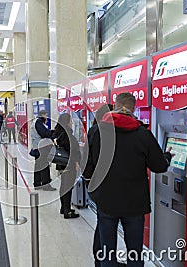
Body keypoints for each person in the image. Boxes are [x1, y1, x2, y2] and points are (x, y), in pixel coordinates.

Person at [82, 93, 173, 267]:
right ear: (133, 108)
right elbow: (159, 166)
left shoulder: (97, 131)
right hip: (134, 203)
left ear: (115, 105)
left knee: (107, 252)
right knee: (134, 252)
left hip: (106, 200)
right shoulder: (142, 133)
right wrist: (167, 156)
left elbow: (87, 168)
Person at [82, 104, 113, 267]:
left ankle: (99, 259)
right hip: (113, 191)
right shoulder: (110, 134)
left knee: (102, 224)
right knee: (106, 225)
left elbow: (86, 166)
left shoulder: (93, 132)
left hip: (99, 190)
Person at [53, 113, 81, 219]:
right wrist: (76, 162)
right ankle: (67, 211)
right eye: (70, 120)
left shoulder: (59, 133)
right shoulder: (67, 134)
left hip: (62, 163)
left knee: (64, 186)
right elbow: (71, 150)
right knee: (68, 187)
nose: (72, 122)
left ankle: (63, 208)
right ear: (67, 122)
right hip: (69, 165)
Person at [30, 110, 56, 191]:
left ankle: (37, 184)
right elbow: (44, 133)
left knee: (38, 166)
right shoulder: (38, 122)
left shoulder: (36, 122)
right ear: (43, 115)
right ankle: (46, 185)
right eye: (46, 115)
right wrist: (53, 134)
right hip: (41, 148)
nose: (47, 117)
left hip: (37, 147)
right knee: (44, 166)